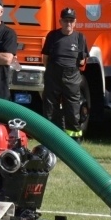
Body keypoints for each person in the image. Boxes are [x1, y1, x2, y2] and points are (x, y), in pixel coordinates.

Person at [41, 7, 89, 140]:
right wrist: (53, 72)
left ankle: (73, 140)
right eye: (66, 20)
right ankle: (51, 138)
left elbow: (82, 61)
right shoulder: (53, 36)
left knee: (73, 110)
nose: (68, 24)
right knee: (50, 109)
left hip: (72, 77)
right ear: (60, 21)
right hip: (53, 76)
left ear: (75, 22)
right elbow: (45, 58)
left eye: (71, 21)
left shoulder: (80, 38)